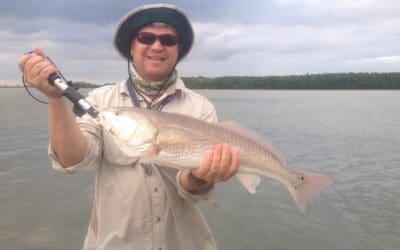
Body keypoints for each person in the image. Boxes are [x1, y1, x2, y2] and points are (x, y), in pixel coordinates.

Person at [18, 4, 239, 250]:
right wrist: (55, 99)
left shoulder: (200, 108)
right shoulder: (102, 102)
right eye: (146, 38)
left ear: (178, 50)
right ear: (131, 47)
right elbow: (73, 160)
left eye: (168, 39)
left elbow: (191, 192)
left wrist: (199, 177)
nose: (157, 46)